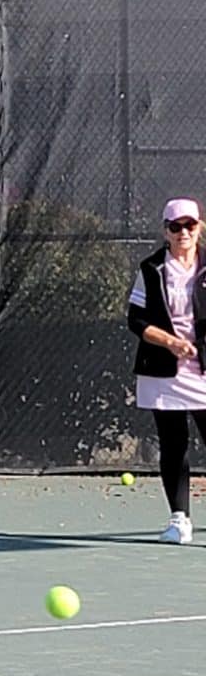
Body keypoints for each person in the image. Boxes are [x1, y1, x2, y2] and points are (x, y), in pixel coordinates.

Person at [128, 195, 206, 543]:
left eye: (189, 225)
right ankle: (179, 520)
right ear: (166, 231)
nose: (183, 232)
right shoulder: (151, 269)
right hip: (163, 370)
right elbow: (136, 319)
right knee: (174, 444)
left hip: (202, 370)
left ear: (199, 227)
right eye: (176, 227)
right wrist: (171, 343)